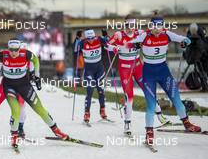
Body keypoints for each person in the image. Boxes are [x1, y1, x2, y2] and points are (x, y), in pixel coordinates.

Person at [129, 15, 201, 145]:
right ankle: (149, 132)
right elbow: (131, 42)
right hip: (148, 73)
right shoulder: (144, 35)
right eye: (155, 26)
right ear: (151, 26)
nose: (158, 29)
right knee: (151, 104)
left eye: (160, 26)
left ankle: (187, 123)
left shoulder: (166, 34)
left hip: (163, 72)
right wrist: (135, 44)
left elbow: (185, 39)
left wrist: (186, 42)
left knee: (176, 99)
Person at [0, 38, 68, 148]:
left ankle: (57, 131)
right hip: (9, 86)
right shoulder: (4, 55)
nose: (13, 53)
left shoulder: (25, 54)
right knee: (16, 110)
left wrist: (37, 77)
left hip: (24, 85)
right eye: (11, 50)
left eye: (16, 50)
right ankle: (14, 137)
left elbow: (35, 61)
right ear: (8, 49)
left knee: (40, 109)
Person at [109, 15, 170, 136]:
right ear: (125, 25)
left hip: (137, 66)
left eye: (133, 26)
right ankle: (127, 124)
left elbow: (154, 31)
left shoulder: (140, 33)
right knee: (129, 96)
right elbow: (107, 44)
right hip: (125, 68)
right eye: (128, 26)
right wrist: (115, 48)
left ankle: (160, 115)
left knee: (149, 90)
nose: (131, 29)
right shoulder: (119, 35)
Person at [78, 29, 117, 124]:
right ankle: (87, 113)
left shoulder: (99, 39)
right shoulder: (82, 43)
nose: (91, 40)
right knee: (90, 91)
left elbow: (108, 46)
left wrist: (114, 48)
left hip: (99, 69)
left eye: (92, 38)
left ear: (95, 36)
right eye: (88, 38)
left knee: (100, 89)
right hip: (89, 71)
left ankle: (102, 110)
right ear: (85, 38)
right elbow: (76, 49)